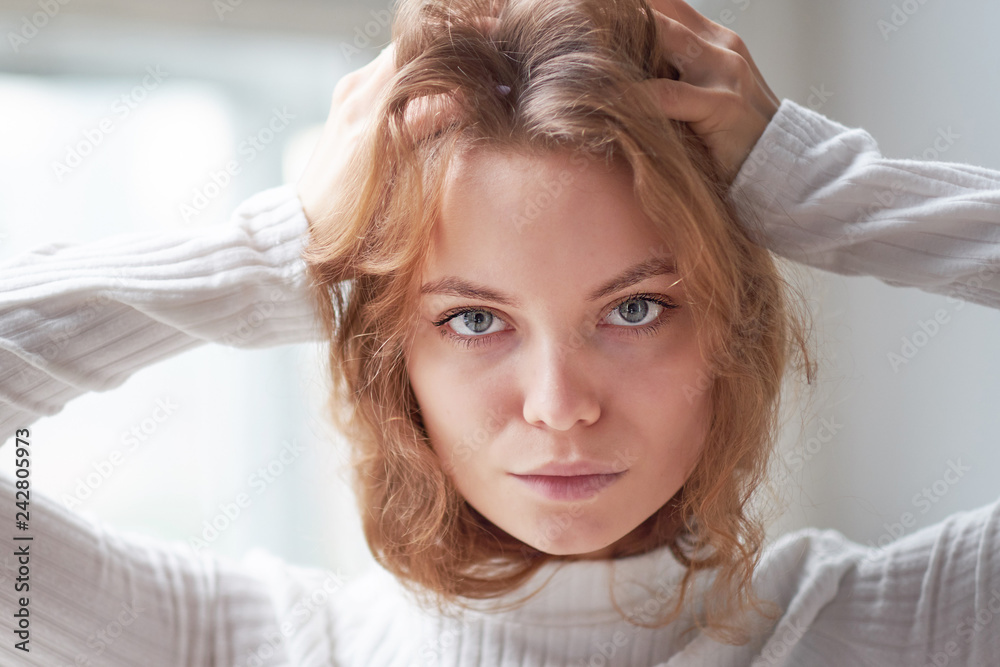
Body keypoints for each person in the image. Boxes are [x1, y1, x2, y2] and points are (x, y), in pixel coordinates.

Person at [1, 1, 999, 666]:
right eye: (474, 318)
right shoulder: (230, 642)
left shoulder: (917, 624)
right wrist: (288, 245)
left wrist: (820, 188)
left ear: (729, 331)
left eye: (634, 308)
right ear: (396, 360)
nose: (559, 404)